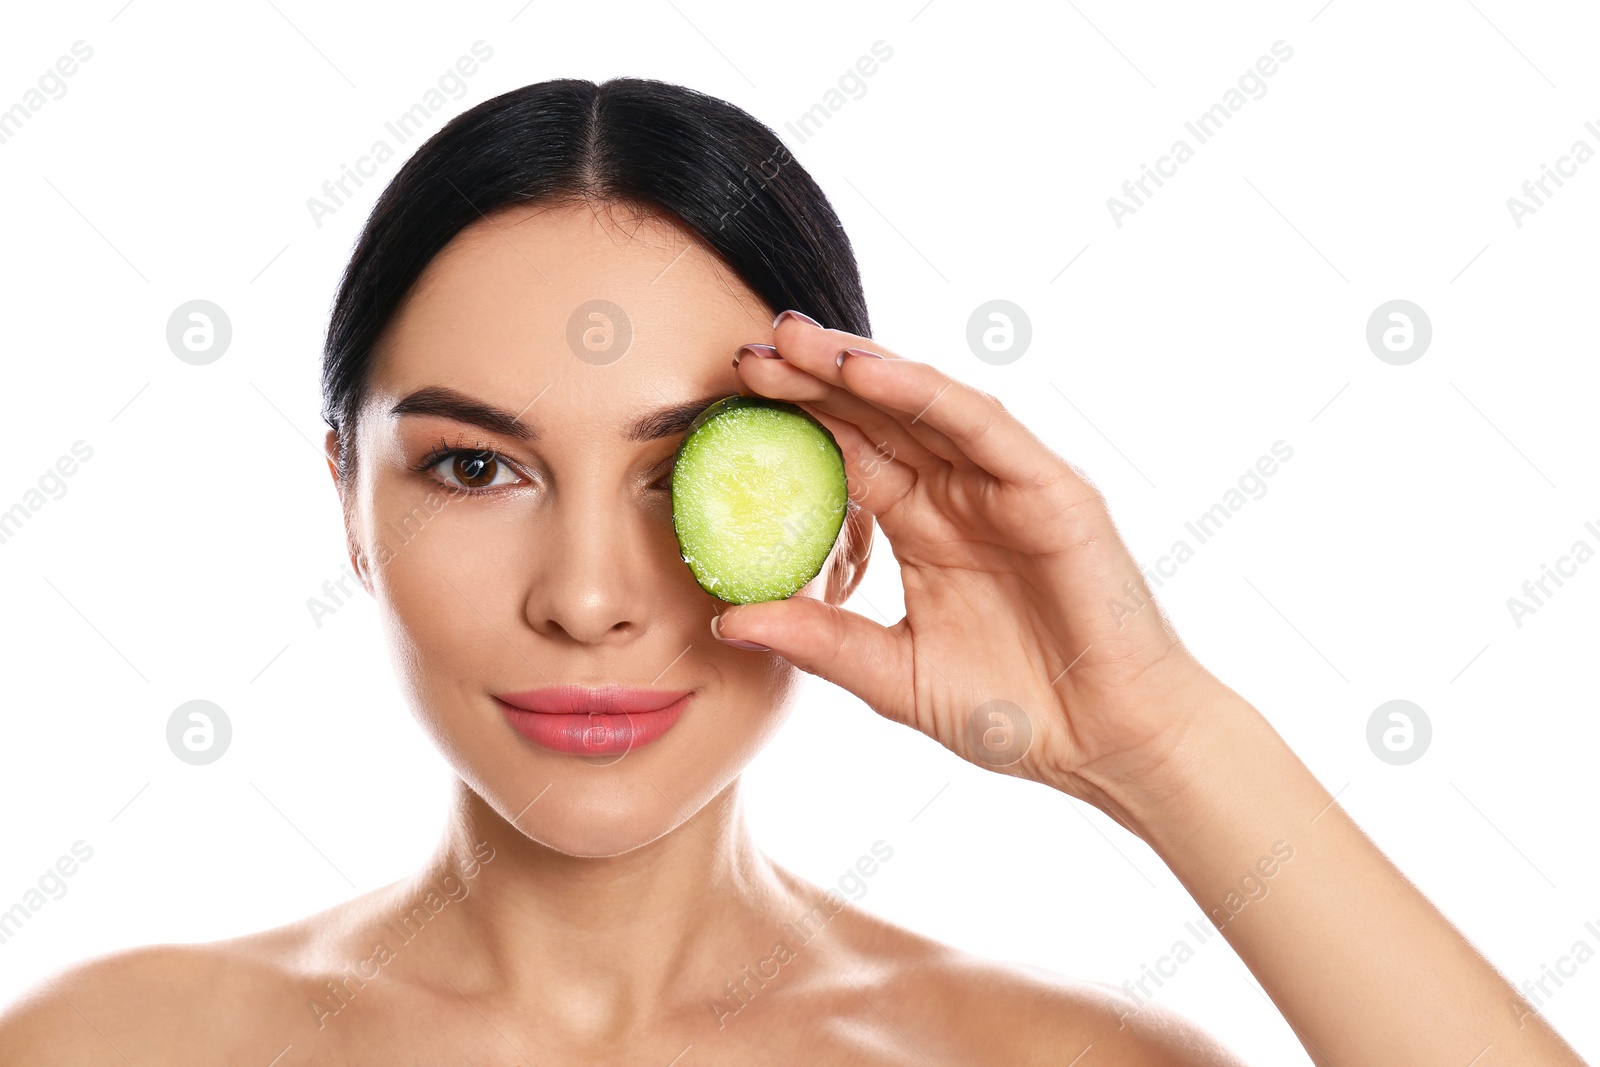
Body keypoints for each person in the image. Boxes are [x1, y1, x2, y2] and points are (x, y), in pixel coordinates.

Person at [0, 77, 1586, 1066]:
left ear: (844, 508)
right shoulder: (105, 1048)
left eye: (689, 469)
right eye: (477, 468)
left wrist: (1163, 742)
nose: (592, 597)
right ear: (349, 498)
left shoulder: (1063, 1065)